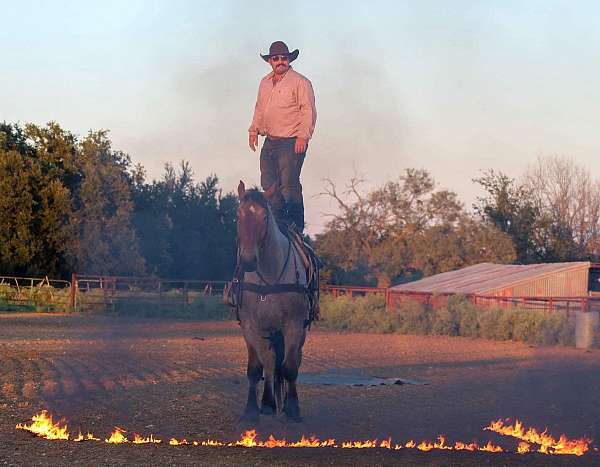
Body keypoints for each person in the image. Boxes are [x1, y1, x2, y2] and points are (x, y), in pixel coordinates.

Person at [248, 41, 317, 233]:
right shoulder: (264, 83)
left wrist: (303, 136)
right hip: (270, 140)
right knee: (268, 186)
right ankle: (277, 226)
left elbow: (308, 111)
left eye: (284, 58)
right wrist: (254, 130)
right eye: (276, 58)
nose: (280, 61)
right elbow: (260, 108)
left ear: (289, 60)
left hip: (292, 140)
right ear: (270, 61)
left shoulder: (300, 82)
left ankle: (296, 229)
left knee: (289, 185)